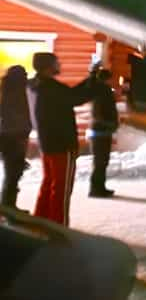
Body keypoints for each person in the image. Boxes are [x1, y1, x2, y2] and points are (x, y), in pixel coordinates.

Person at [32, 53, 95, 226]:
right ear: (48, 67)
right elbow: (76, 97)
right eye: (56, 62)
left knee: (48, 185)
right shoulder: (52, 88)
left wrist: (90, 78)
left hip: (46, 143)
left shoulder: (35, 85)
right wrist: (94, 79)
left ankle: (40, 223)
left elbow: (71, 94)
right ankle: (59, 228)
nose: (59, 65)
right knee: (61, 190)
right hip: (61, 144)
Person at [0, 66, 32, 210]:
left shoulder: (7, 90)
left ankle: (8, 204)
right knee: (13, 172)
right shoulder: (15, 93)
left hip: (12, 135)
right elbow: (17, 117)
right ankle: (8, 205)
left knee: (13, 171)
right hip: (14, 136)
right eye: (24, 74)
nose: (26, 77)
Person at [88, 68, 118, 198]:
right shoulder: (102, 91)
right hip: (101, 131)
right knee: (100, 161)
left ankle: (100, 187)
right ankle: (96, 189)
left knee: (102, 161)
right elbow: (98, 112)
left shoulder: (100, 90)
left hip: (102, 130)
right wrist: (109, 123)